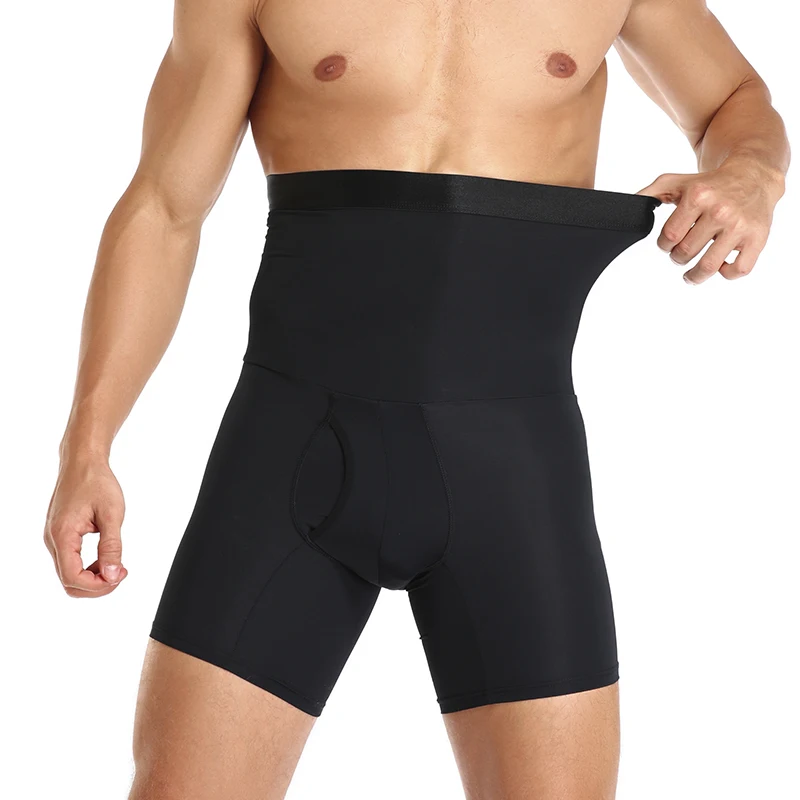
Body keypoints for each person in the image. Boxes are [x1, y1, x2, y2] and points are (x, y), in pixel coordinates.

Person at [43, 0, 789, 797]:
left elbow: (732, 97)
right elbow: (164, 206)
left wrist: (753, 170)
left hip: (512, 471)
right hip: (292, 455)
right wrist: (87, 445)